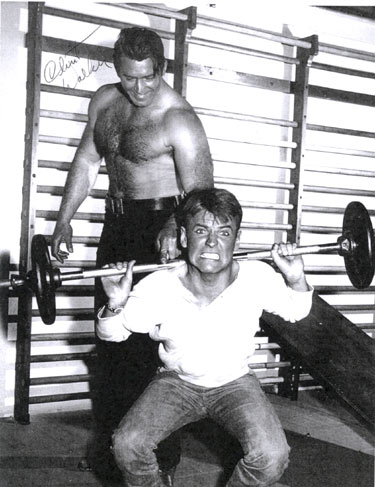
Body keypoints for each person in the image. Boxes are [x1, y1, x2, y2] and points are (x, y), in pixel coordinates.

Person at [50, 27, 213, 484]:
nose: (139, 89)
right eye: (128, 78)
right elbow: (86, 163)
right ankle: (111, 446)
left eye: (147, 78)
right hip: (115, 227)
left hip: (160, 230)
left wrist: (174, 225)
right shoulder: (104, 102)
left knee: (148, 349)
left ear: (161, 69)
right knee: (108, 339)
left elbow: (201, 192)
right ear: (116, 71)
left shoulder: (178, 117)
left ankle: (160, 454)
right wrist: (64, 220)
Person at [97, 188, 313, 487]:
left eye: (224, 233)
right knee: (127, 443)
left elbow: (297, 311)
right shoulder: (160, 284)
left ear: (237, 240)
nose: (212, 242)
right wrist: (115, 302)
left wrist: (295, 278)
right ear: (185, 238)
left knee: (272, 455)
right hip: (176, 383)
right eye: (201, 230)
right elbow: (112, 333)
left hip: (234, 383)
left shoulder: (257, 276)